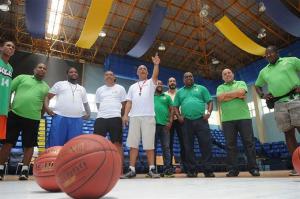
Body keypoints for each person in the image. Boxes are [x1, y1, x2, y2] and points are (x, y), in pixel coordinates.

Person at [255, 45, 300, 176]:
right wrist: (262, 95)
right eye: (266, 55)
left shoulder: (290, 60)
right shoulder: (264, 71)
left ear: (277, 52)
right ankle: (297, 165)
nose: (269, 56)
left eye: (271, 53)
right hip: (278, 104)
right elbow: (257, 85)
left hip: (295, 99)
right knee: (288, 134)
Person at [0, 63, 49, 180]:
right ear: (34, 69)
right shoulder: (22, 77)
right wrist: (9, 106)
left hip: (33, 119)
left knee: (29, 145)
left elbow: (44, 104)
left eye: (44, 69)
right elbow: (8, 90)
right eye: (40, 67)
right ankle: (0, 168)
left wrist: (39, 116)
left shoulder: (46, 87)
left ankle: (24, 170)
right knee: (8, 143)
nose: (42, 70)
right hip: (15, 115)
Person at [121, 54, 160, 178]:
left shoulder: (151, 82)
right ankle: (132, 170)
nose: (142, 70)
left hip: (148, 116)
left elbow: (155, 75)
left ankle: (152, 169)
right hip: (134, 117)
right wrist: (125, 115)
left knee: (149, 145)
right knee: (133, 144)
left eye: (144, 69)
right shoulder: (132, 87)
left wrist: (156, 64)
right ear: (137, 73)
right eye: (140, 69)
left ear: (147, 73)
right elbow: (129, 102)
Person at [217, 68, 260, 177]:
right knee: (230, 146)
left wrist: (228, 95)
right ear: (222, 77)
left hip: (244, 118)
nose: (227, 75)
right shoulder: (220, 87)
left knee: (249, 143)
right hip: (227, 120)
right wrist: (236, 95)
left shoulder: (241, 83)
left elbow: (241, 92)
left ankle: (253, 168)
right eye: (224, 74)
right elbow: (220, 98)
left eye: (229, 73)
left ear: (233, 74)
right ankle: (233, 170)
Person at [173, 72, 215, 178]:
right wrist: (178, 116)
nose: (188, 78)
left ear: (193, 78)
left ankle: (208, 170)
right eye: (186, 77)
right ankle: (192, 170)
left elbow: (210, 101)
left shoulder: (202, 88)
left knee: (206, 145)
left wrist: (208, 113)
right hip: (186, 121)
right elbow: (175, 106)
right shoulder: (179, 92)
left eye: (190, 76)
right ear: (183, 79)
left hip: (201, 120)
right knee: (188, 147)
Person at [45, 67, 91, 147]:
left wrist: (89, 113)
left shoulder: (82, 89)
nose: (74, 73)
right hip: (60, 117)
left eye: (75, 72)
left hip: (77, 119)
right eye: (71, 72)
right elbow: (47, 97)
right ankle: (53, 159)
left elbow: (86, 103)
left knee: (74, 146)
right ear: (67, 74)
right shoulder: (60, 84)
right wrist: (47, 108)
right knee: (55, 144)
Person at [94, 70, 126, 167]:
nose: (109, 76)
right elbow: (98, 104)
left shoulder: (120, 88)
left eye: (111, 75)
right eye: (107, 75)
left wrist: (122, 116)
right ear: (104, 77)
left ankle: (119, 169)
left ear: (114, 77)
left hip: (115, 117)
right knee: (97, 143)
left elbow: (124, 104)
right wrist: (104, 112)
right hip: (101, 118)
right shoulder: (99, 90)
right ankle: (97, 167)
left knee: (117, 143)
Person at [165, 77, 186, 172]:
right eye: (170, 81)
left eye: (173, 81)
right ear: (168, 83)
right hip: (169, 121)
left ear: (176, 83)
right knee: (168, 144)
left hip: (180, 120)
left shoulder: (181, 93)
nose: (172, 82)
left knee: (184, 143)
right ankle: (169, 167)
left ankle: (185, 166)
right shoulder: (164, 94)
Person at [154, 80, 173, 177]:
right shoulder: (150, 97)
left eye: (161, 83)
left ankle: (167, 169)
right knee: (152, 148)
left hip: (165, 125)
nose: (159, 85)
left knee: (166, 147)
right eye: (157, 83)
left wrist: (170, 122)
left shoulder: (167, 97)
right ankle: (152, 170)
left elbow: (171, 110)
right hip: (152, 125)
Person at [0, 41, 15, 140]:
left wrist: (9, 103)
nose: (11, 48)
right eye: (8, 45)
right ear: (1, 48)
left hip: (3, 108)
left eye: (13, 47)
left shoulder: (10, 68)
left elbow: (9, 87)